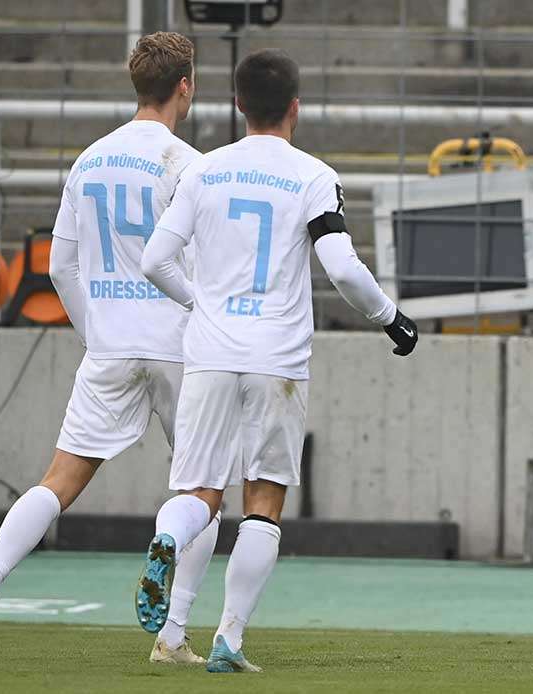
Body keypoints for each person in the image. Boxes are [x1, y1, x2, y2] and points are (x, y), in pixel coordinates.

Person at [0, 32, 218, 665]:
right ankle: (172, 636)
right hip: (178, 344)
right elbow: (199, 266)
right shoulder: (190, 164)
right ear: (185, 87)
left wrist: (97, 335)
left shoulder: (88, 161)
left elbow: (61, 269)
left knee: (57, 482)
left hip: (109, 345)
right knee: (203, 490)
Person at [134, 48, 418, 674]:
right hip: (276, 359)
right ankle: (228, 642)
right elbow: (340, 265)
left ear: (237, 105)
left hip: (208, 353)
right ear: (295, 107)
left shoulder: (203, 171)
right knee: (261, 500)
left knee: (199, 491)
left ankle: (168, 537)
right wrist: (390, 319)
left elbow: (155, 259)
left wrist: (201, 303)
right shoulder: (312, 175)